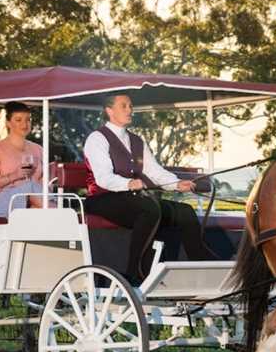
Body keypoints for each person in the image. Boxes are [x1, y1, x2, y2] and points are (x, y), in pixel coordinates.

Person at [83, 93, 216, 282]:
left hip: (133, 199)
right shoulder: (97, 139)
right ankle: (135, 272)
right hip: (102, 198)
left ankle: (200, 265)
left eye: (130, 106)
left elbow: (154, 171)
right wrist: (128, 183)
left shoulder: (137, 140)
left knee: (185, 211)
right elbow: (103, 178)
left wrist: (177, 184)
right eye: (124, 106)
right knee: (149, 208)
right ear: (109, 111)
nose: (130, 110)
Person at [0, 101, 44, 217]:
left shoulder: (38, 149)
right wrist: (15, 175)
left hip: (34, 202)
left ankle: (55, 217)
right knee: (30, 186)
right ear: (8, 123)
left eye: (28, 119)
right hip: (3, 201)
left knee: (34, 192)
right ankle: (62, 219)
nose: (25, 124)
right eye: (18, 120)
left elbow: (44, 181)